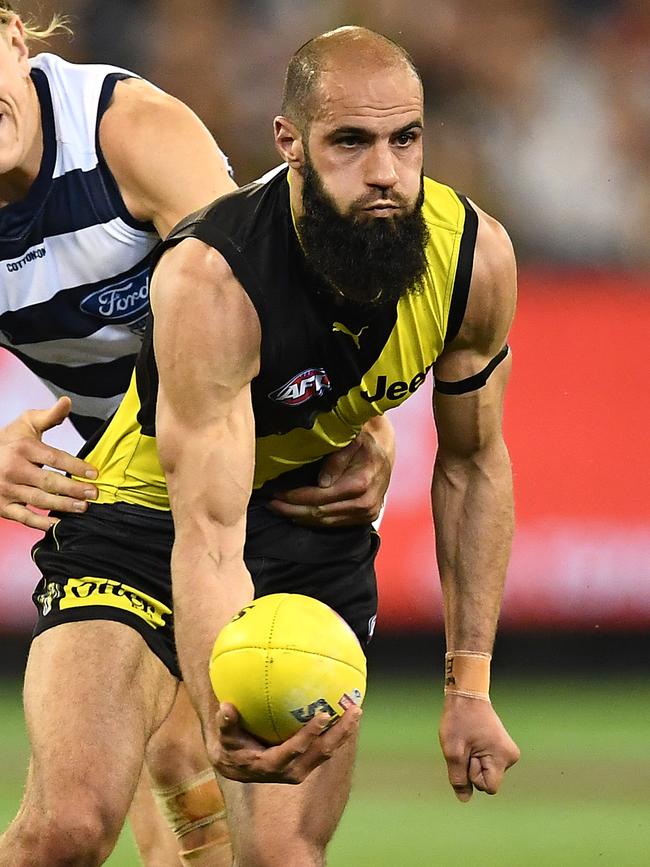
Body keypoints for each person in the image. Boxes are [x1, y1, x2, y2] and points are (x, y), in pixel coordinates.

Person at [2, 23, 520, 866]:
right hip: (141, 498)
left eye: (406, 139)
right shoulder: (210, 280)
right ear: (292, 144)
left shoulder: (473, 259)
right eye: (350, 142)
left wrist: (470, 685)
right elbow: (206, 534)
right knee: (66, 830)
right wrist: (217, 714)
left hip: (297, 505)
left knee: (279, 856)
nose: (385, 171)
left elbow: (473, 461)